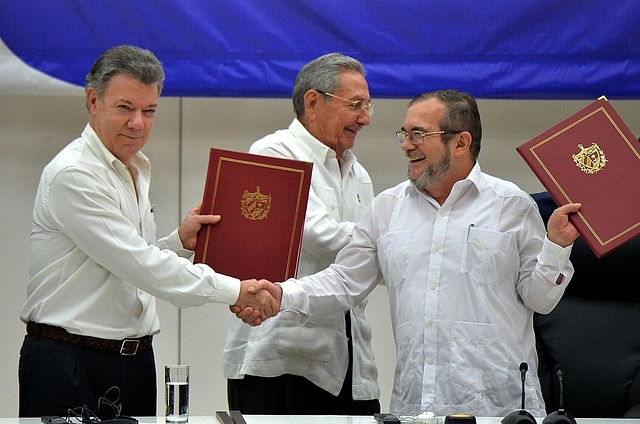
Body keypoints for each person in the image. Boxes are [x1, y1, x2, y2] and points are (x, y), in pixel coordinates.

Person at [237, 89, 582, 418]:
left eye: (418, 134)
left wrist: (557, 246)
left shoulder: (512, 205)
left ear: (460, 142)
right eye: (403, 133)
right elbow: (343, 281)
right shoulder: (387, 208)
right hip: (415, 408)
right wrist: (281, 294)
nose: (405, 145)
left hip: (498, 409)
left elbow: (540, 299)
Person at [18, 45, 276, 418]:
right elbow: (139, 264)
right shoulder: (74, 173)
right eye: (125, 107)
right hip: (70, 364)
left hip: (133, 362)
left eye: (149, 110)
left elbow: (127, 264)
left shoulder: (132, 167)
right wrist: (237, 290)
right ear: (93, 101)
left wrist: (178, 243)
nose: (138, 123)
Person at [222, 53, 381, 415]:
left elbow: (365, 265)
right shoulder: (275, 153)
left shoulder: (360, 176)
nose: (366, 118)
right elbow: (319, 235)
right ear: (313, 101)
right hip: (279, 359)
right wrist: (393, 238)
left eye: (368, 106)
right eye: (356, 105)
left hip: (351, 362)